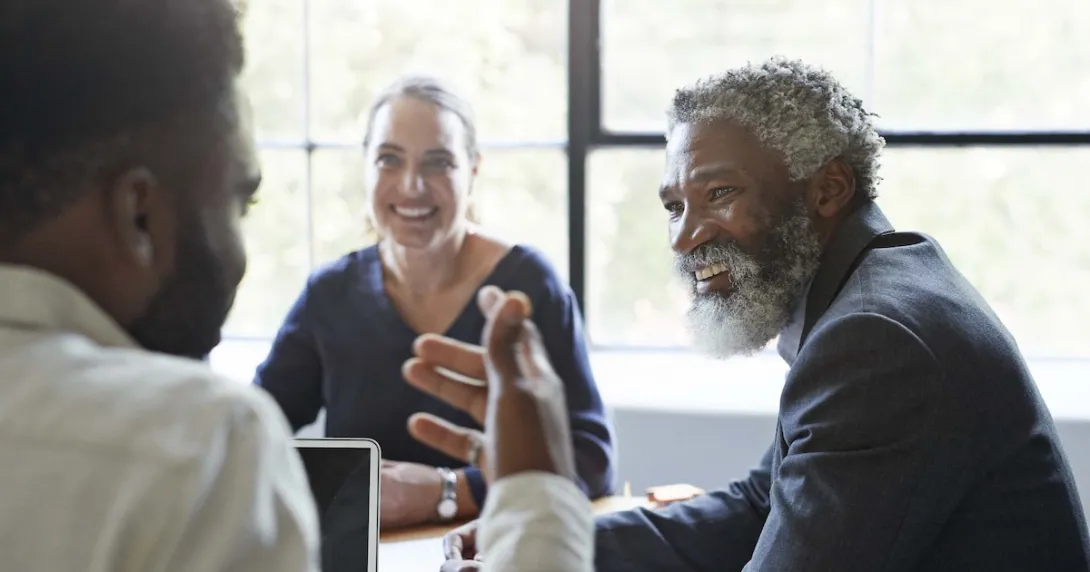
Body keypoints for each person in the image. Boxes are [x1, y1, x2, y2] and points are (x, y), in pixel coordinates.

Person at [405, 57, 1090, 571]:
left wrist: (540, 549)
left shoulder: (877, 341)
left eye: (719, 193)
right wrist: (547, 535)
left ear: (829, 189)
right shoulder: (873, 295)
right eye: (675, 206)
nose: (684, 236)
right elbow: (759, 505)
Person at [0, 1, 318, 571]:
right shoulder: (204, 449)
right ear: (140, 217)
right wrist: (527, 493)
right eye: (238, 204)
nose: (240, 253)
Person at [253, 75, 615, 529]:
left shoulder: (528, 287)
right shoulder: (329, 295)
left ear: (474, 170)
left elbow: (592, 460)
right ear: (365, 167)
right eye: (389, 159)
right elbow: (252, 434)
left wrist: (449, 492)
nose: (411, 186)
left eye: (438, 162)